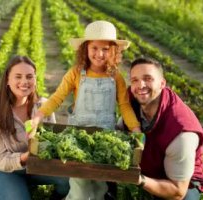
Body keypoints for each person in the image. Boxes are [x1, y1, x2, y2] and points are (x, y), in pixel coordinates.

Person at [31, 20, 141, 200]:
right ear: (86, 49)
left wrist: (136, 129)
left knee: (99, 188)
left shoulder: (116, 77)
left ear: (113, 51)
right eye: (94, 48)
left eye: (105, 49)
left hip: (104, 140)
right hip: (77, 140)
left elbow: (124, 106)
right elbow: (57, 97)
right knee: (80, 189)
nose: (99, 54)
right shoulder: (76, 73)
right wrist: (38, 116)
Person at [117, 57, 203, 199]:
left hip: (178, 182)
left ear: (162, 84)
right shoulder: (131, 101)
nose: (140, 85)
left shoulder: (181, 131)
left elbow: (177, 191)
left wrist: (138, 179)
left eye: (148, 78)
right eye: (135, 80)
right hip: (148, 167)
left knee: (186, 197)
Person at [0, 55, 70, 200]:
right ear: (7, 80)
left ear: (35, 80)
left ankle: (56, 197)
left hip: (38, 167)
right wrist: (25, 158)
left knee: (71, 180)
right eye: (18, 76)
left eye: (29, 76)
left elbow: (52, 142)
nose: (24, 82)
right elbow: (0, 159)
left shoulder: (44, 106)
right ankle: (15, 187)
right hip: (6, 171)